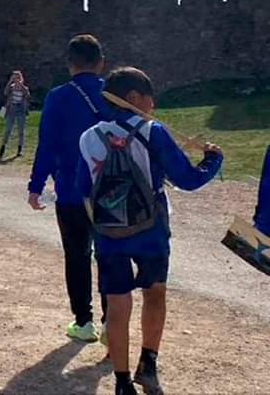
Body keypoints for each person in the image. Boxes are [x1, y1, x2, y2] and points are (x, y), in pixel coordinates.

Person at [76, 67, 223, 395]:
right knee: (155, 293)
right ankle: (149, 365)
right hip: (150, 229)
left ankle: (121, 381)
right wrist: (214, 160)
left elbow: (81, 187)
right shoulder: (151, 131)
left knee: (116, 304)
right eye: (149, 98)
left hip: (109, 232)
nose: (153, 104)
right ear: (133, 98)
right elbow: (187, 179)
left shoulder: (88, 138)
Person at [27, 34, 108, 343]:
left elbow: (47, 144)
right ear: (101, 63)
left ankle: (84, 321)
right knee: (108, 254)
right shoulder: (113, 95)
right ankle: (111, 321)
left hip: (72, 190)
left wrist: (36, 185)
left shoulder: (58, 97)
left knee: (76, 255)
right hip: (110, 192)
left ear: (70, 64)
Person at [0, 70, 30, 159]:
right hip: (11, 109)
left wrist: (21, 85)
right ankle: (3, 148)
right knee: (8, 129)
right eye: (14, 77)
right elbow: (5, 92)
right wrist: (10, 82)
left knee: (21, 130)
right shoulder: (11, 87)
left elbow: (27, 95)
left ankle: (20, 149)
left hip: (21, 109)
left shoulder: (24, 87)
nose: (16, 79)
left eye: (18, 77)